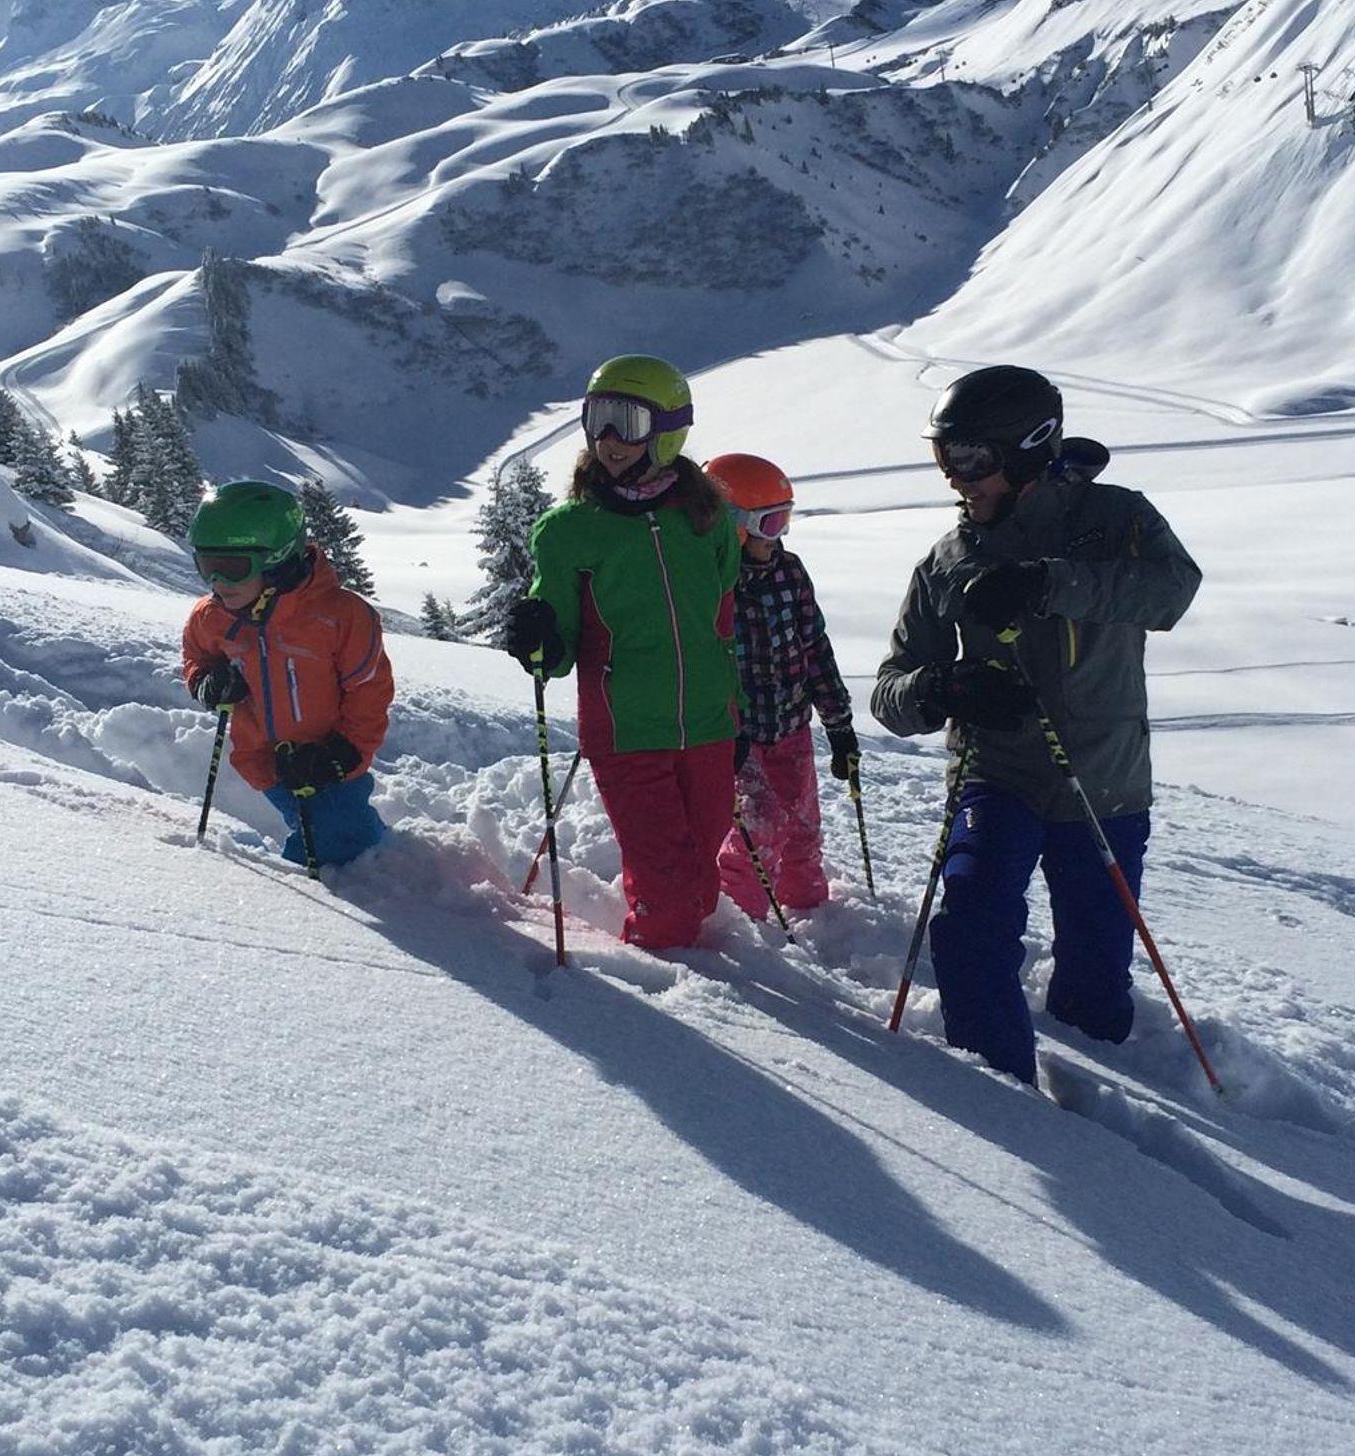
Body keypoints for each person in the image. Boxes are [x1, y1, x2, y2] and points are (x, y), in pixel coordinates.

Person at [869, 366, 1201, 1083]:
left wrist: (1050, 582)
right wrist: (943, 687)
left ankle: (1106, 1092)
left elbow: (1173, 591)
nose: (955, 477)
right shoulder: (947, 562)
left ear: (1027, 448)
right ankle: (999, 1096)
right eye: (945, 456)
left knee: (1096, 970)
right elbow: (890, 691)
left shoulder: (1116, 519)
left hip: (1106, 780)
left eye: (970, 458)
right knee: (970, 930)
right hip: (998, 775)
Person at [504, 355, 741, 950]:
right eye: (598, 419)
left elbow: (721, 617)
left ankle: (694, 962)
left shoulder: (707, 517)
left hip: (710, 725)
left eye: (627, 422)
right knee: (668, 899)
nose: (608, 439)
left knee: (700, 879)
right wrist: (538, 637)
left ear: (668, 430)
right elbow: (557, 651)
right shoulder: (570, 530)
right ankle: (662, 981)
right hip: (627, 730)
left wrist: (736, 704)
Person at [182, 479, 394, 867]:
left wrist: (342, 753)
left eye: (233, 568)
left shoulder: (341, 617)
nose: (218, 583)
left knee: (342, 840)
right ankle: (376, 859)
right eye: (207, 567)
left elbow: (370, 693)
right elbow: (196, 656)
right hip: (264, 762)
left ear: (277, 562)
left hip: (329, 764)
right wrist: (206, 682)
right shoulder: (212, 616)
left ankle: (378, 867)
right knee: (329, 832)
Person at [706, 452, 856, 917]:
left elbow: (815, 647)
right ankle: (743, 919)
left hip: (791, 727)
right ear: (734, 526)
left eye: (785, 521)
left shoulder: (789, 572)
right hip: (739, 736)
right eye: (770, 524)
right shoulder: (711, 585)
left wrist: (839, 724)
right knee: (759, 823)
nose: (779, 537)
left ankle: (809, 907)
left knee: (803, 823)